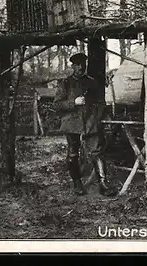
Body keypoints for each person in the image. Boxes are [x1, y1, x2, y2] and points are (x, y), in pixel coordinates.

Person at [53, 53, 116, 197]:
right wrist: (73, 103)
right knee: (72, 154)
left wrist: (99, 117)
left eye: (83, 64)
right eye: (78, 64)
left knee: (96, 152)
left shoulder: (92, 82)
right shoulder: (65, 83)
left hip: (90, 123)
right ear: (73, 66)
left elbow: (100, 103)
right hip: (72, 124)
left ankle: (103, 184)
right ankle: (77, 184)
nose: (81, 67)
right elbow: (56, 105)